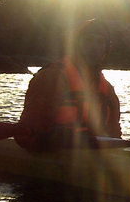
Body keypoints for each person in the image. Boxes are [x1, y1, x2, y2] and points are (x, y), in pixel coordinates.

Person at [14, 19, 121, 151]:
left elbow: (114, 134)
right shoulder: (50, 78)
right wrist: (55, 139)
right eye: (88, 40)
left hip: (93, 159)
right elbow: (27, 134)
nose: (94, 47)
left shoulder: (108, 90)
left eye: (100, 42)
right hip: (53, 157)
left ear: (106, 48)